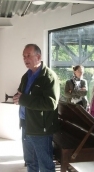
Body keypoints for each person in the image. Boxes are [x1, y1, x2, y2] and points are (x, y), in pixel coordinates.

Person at [13, 44, 60, 172]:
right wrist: (18, 97)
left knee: (45, 165)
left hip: (41, 130)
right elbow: (22, 94)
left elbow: (51, 103)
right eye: (23, 56)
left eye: (28, 55)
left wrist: (23, 99)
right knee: (30, 163)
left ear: (38, 57)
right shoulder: (26, 76)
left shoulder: (49, 77)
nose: (25, 59)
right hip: (25, 125)